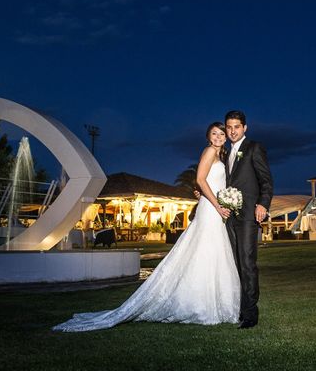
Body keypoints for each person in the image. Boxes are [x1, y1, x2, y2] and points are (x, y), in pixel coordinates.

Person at [53, 122, 240, 332]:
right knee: (204, 250)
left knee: (212, 252)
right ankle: (200, 304)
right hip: (210, 209)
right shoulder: (208, 151)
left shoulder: (220, 156)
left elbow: (208, 184)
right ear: (208, 137)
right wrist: (217, 205)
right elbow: (199, 179)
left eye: (221, 134)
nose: (218, 137)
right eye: (214, 134)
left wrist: (222, 201)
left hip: (215, 208)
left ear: (225, 137)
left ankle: (212, 301)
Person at [224, 110, 273, 329]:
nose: (232, 131)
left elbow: (266, 181)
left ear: (245, 128)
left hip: (247, 216)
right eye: (229, 127)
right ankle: (238, 308)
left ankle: (251, 314)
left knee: (247, 262)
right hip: (228, 217)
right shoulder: (225, 154)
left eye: (236, 126)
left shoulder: (254, 148)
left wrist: (263, 204)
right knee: (233, 263)